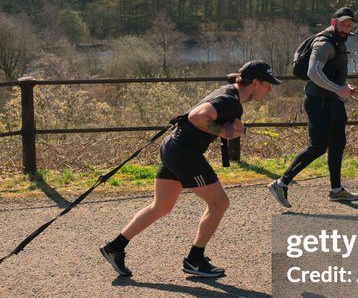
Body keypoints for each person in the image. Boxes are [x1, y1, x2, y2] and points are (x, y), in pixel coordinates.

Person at [100, 60, 281, 279]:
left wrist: (231, 129)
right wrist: (223, 132)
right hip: (185, 154)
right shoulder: (229, 100)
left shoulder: (229, 94)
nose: (270, 89)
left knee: (161, 206)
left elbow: (213, 119)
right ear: (255, 83)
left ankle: (115, 247)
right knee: (219, 203)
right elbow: (197, 117)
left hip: (173, 148)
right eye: (267, 84)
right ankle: (194, 260)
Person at [269, 7, 358, 207]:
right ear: (334, 22)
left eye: (349, 25)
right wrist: (338, 89)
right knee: (317, 147)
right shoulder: (324, 43)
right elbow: (313, 72)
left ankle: (336, 190)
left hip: (333, 101)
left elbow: (330, 71)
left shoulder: (339, 41)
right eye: (343, 24)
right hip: (318, 102)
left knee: (338, 143)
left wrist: (344, 88)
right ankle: (281, 183)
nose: (346, 28)